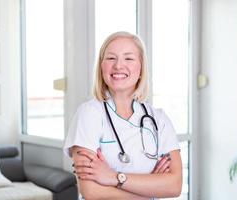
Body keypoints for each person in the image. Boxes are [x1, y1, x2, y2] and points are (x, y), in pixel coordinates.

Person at [64, 31, 182, 200]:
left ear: (141, 68)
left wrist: (114, 177)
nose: (118, 65)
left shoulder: (159, 119)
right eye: (111, 58)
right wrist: (150, 191)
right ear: (101, 66)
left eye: (129, 58)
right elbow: (91, 191)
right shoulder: (89, 114)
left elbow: (174, 185)